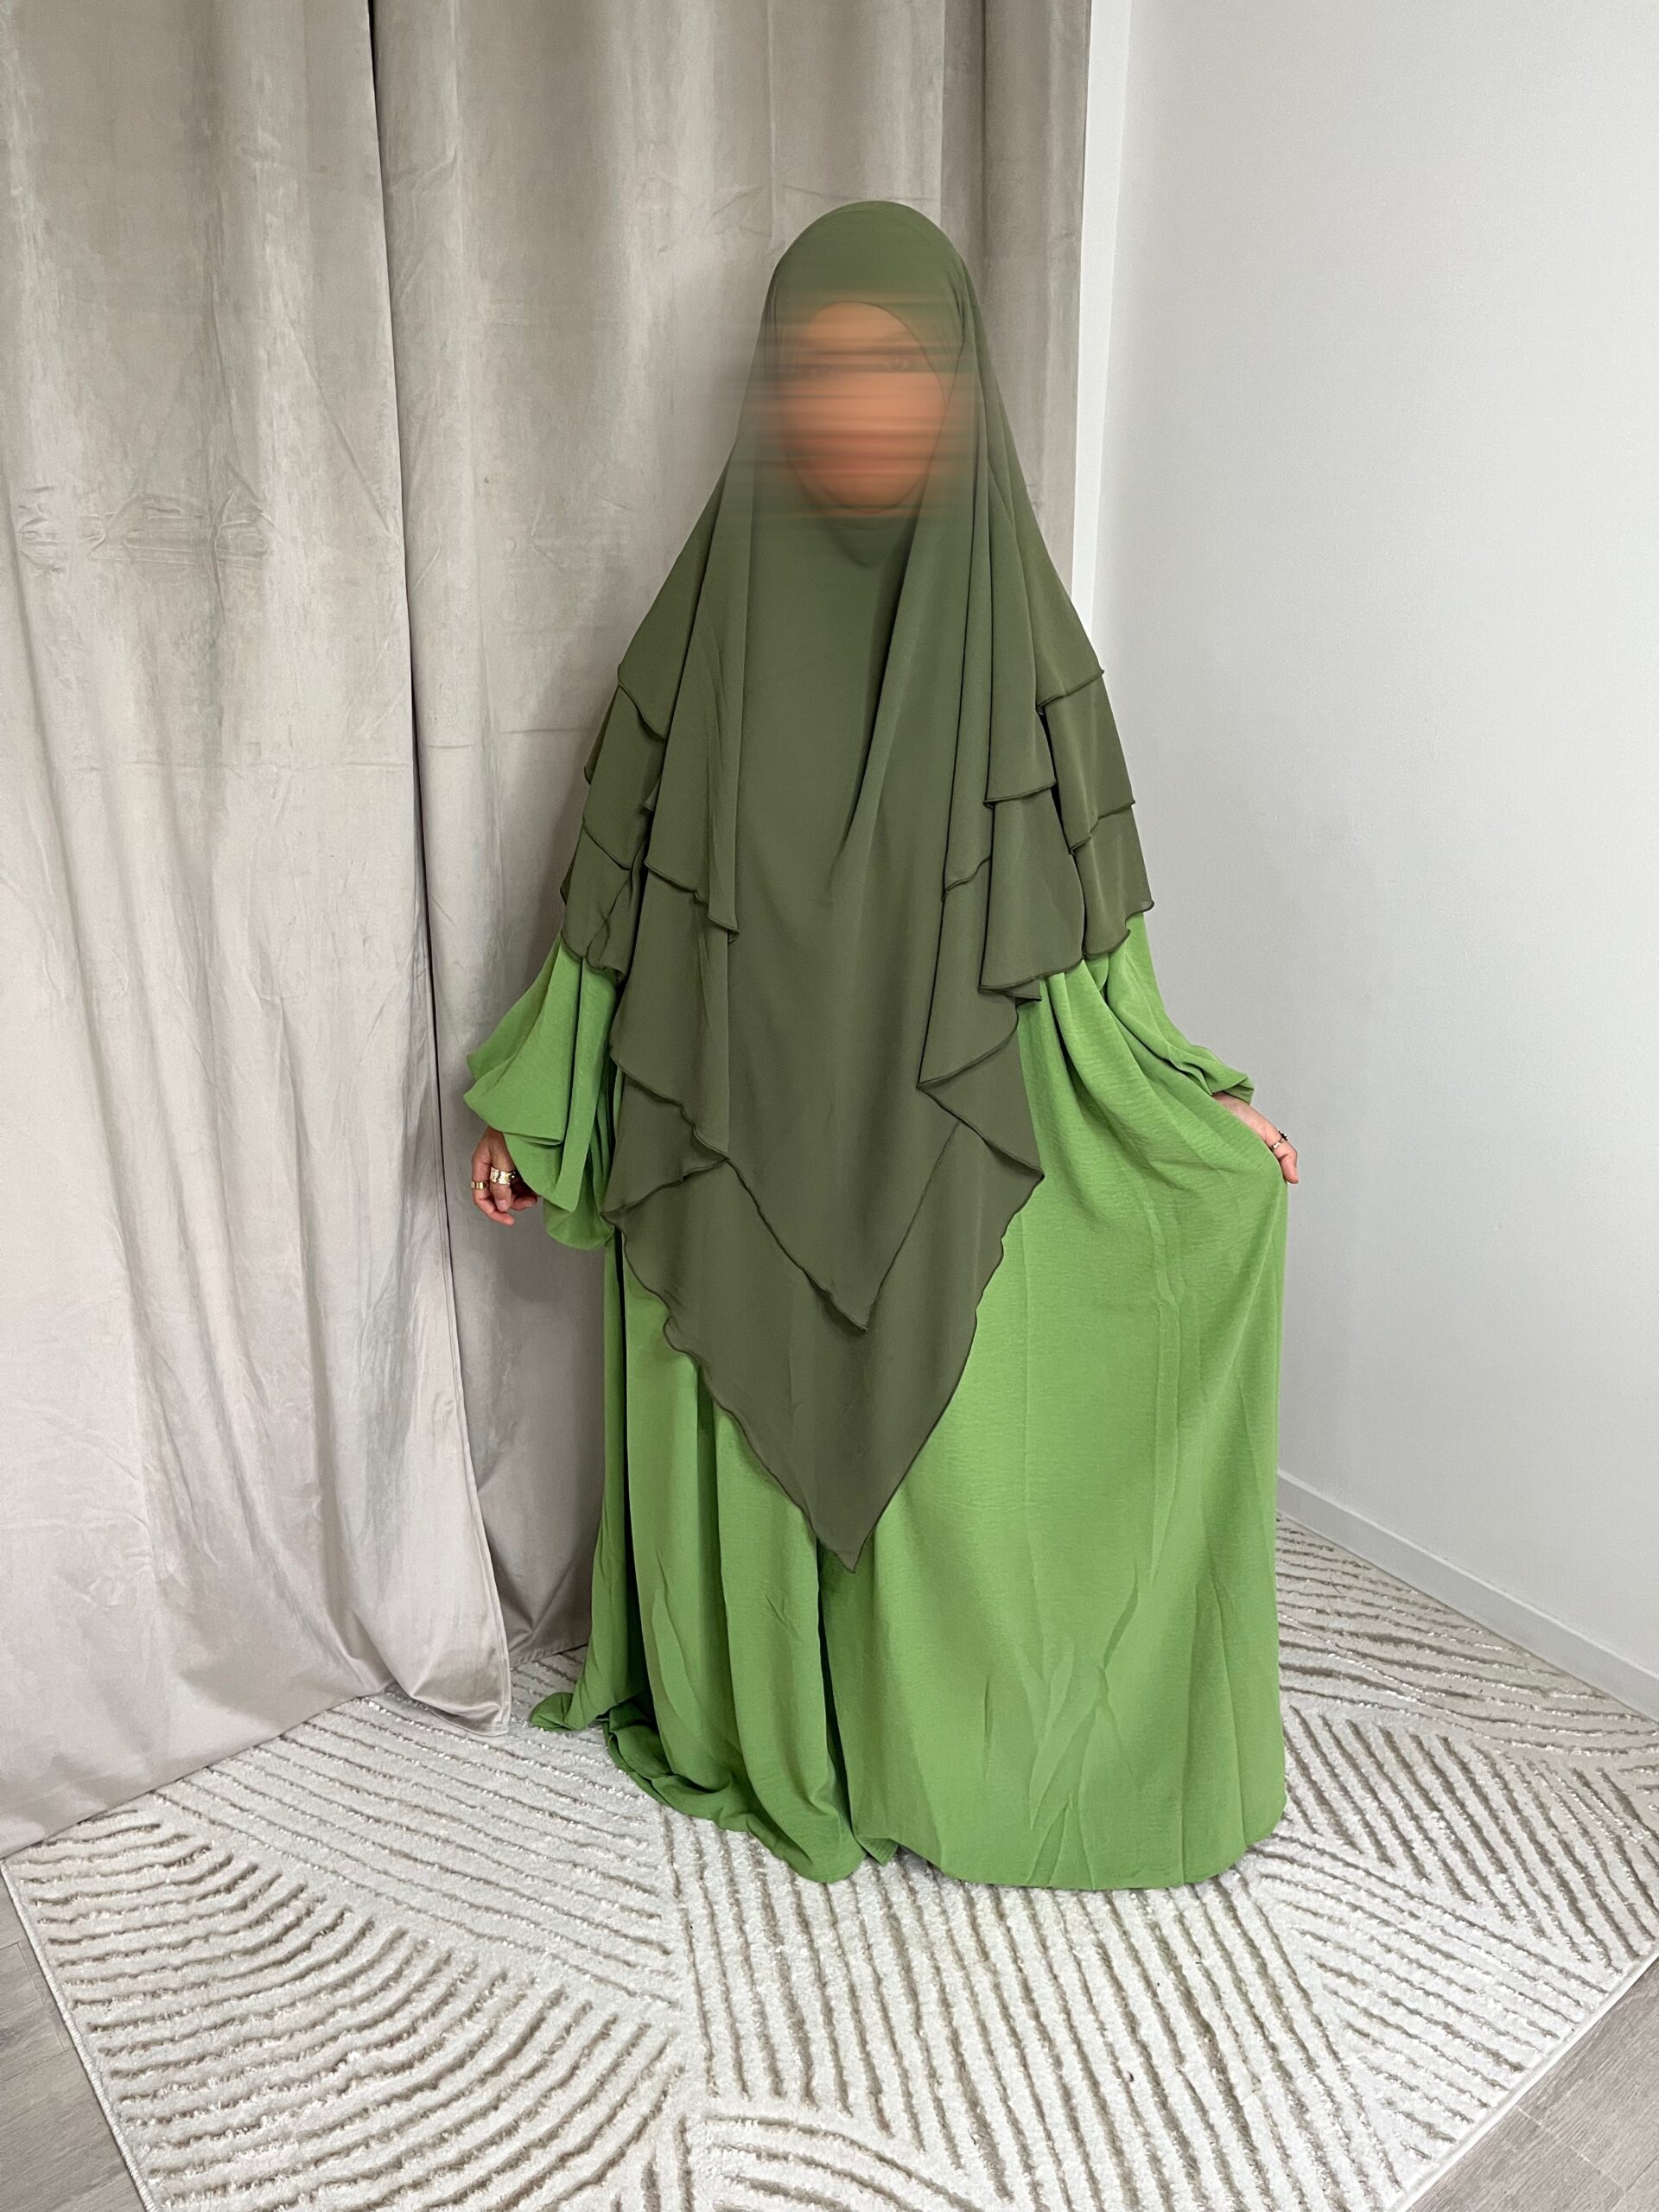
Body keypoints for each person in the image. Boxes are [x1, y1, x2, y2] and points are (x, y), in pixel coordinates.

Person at [463, 200, 1296, 1890]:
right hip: (722, 1147)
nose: (856, 409)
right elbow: (612, 915)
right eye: (819, 370)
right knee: (744, 1435)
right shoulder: (694, 637)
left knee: (967, 1446)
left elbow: (1084, 943)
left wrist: (1183, 1099)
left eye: (895, 371)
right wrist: (541, 1112)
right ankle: (761, 1714)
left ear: (961, 393)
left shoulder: (1027, 647)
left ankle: (934, 1748)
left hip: (944, 1149)